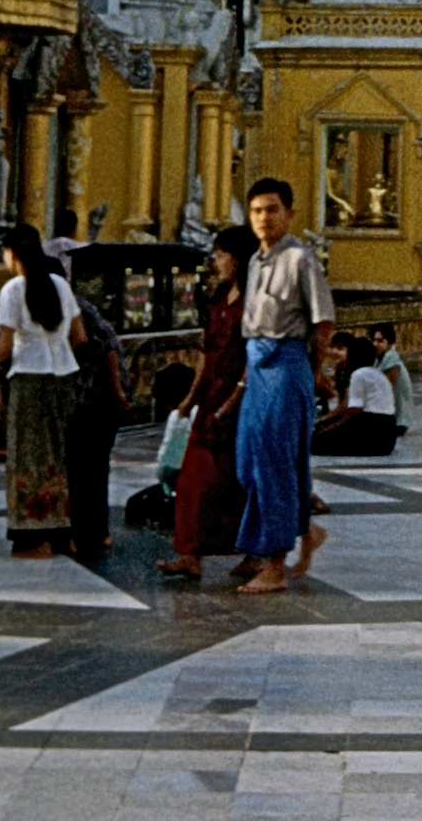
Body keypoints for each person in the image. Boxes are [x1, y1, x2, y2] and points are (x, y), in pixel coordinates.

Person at [236, 178, 333, 595]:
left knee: (275, 461)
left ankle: (276, 560)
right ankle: (298, 530)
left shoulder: (300, 259)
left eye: (272, 209)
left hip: (287, 360)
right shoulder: (255, 260)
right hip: (257, 363)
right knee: (247, 460)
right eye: (257, 210)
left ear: (289, 213)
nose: (263, 218)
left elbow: (323, 321)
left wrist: (312, 369)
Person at [160, 224, 259, 582]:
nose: (215, 261)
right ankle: (190, 553)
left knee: (237, 478)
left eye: (220, 254)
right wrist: (191, 396)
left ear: (238, 257)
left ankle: (254, 552)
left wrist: (235, 399)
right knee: (193, 480)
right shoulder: (219, 297)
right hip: (211, 395)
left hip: (240, 398)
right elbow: (206, 351)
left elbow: (253, 356)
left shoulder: (253, 300)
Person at [0, 224, 84, 560]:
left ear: (12, 254)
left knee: (26, 457)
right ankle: (62, 534)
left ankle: (34, 536)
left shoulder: (14, 289)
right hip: (62, 375)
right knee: (57, 455)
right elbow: (80, 337)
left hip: (29, 376)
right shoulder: (59, 284)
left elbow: (4, 345)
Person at [65, 271, 127, 564]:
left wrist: (116, 392)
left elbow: (108, 347)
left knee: (89, 465)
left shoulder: (78, 308)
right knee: (82, 467)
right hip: (81, 397)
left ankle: (93, 531)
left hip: (97, 398)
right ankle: (85, 529)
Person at [313, 333, 401, 456]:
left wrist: (330, 428)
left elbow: (353, 411)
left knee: (317, 442)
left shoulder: (358, 375)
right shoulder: (378, 374)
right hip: (389, 433)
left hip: (373, 429)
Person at [368, 321, 413, 436]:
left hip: (397, 420)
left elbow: (386, 388)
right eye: (373, 340)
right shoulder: (377, 359)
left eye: (380, 341)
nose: (375, 344)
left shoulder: (391, 357)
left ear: (389, 342)